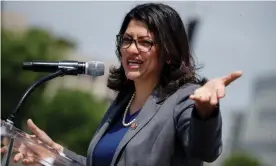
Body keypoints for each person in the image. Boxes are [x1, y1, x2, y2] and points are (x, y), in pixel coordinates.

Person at [1, 2, 242, 166]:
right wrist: (54, 155)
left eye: (144, 42)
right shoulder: (122, 104)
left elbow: (205, 151)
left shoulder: (183, 99)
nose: (131, 49)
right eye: (127, 40)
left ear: (169, 52)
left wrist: (206, 113)